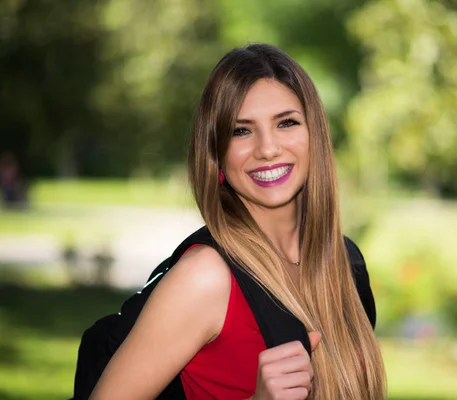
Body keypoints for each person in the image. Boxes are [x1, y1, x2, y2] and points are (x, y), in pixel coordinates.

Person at [89, 43, 386, 400]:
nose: (267, 148)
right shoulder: (205, 278)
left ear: (315, 137)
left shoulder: (344, 263)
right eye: (241, 131)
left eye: (286, 123)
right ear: (216, 155)